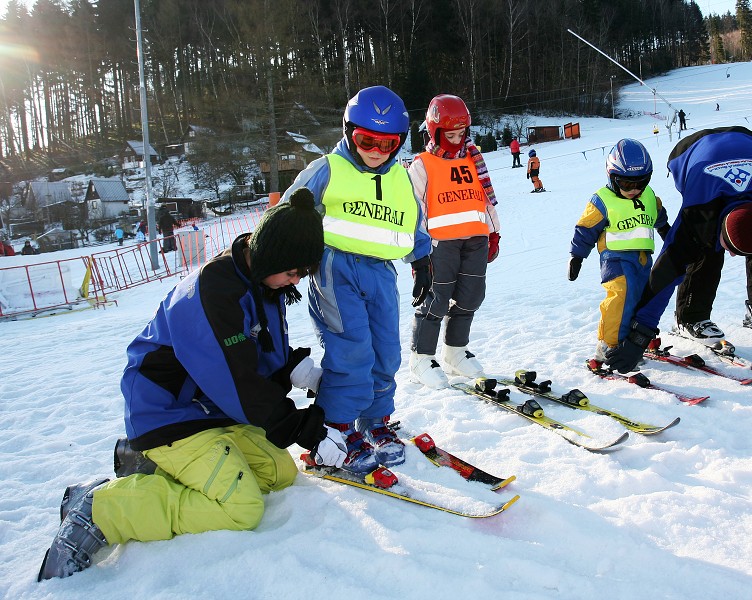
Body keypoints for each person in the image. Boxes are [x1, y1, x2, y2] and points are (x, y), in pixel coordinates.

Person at [36, 189, 347, 582]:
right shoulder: (213, 291)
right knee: (242, 507)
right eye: (293, 271)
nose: (296, 280)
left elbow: (257, 352)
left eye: (302, 273)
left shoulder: (263, 283)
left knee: (277, 473)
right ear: (270, 252)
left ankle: (147, 468)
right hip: (169, 411)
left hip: (213, 411)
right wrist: (303, 429)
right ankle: (100, 511)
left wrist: (294, 369)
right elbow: (235, 380)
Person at [280, 85, 432, 472]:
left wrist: (423, 262)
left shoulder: (400, 178)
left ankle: (376, 421)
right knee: (352, 352)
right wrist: (284, 266)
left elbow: (413, 223)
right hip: (335, 269)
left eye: (388, 143)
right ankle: (336, 427)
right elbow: (286, 216)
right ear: (349, 132)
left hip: (381, 273)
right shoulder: (326, 170)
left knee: (386, 352)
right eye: (367, 140)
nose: (376, 150)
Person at [604, 126, 752, 374]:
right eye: (731, 248)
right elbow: (665, 275)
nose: (733, 256)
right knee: (704, 251)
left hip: (751, 142)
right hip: (688, 154)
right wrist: (639, 337)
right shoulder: (698, 216)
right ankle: (690, 316)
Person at [406, 94, 501, 388]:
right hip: (439, 245)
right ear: (434, 131)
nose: (457, 140)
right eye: (450, 135)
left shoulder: (474, 159)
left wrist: (494, 231)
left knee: (471, 297)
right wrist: (418, 253)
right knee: (435, 300)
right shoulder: (422, 164)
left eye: (462, 134)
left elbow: (485, 200)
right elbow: (413, 210)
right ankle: (421, 358)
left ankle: (455, 352)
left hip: (475, 239)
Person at [568, 139, 669, 363]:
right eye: (626, 184)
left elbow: (659, 215)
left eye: (641, 184)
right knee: (621, 298)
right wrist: (577, 256)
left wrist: (665, 231)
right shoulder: (602, 200)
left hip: (643, 259)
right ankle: (609, 344)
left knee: (644, 297)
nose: (634, 190)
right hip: (616, 259)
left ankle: (636, 340)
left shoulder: (649, 196)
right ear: (612, 177)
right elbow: (585, 229)